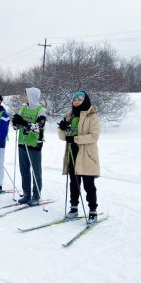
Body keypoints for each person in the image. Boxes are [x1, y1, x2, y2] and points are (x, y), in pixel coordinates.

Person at [58, 91, 100, 223]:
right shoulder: (69, 115)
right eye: (74, 100)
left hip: (86, 155)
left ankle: (93, 211)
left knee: (88, 185)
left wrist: (75, 138)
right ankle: (74, 208)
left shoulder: (92, 117)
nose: (76, 102)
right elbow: (62, 136)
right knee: (74, 183)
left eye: (79, 99)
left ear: (85, 100)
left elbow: (94, 136)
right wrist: (62, 128)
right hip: (72, 153)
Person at [12, 87, 46, 206]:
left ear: (32, 96)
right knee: (24, 170)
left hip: (34, 144)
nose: (23, 96)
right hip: (22, 142)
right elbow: (17, 127)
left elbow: (38, 127)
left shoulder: (40, 110)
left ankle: (36, 195)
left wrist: (24, 123)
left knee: (36, 171)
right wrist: (15, 123)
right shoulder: (23, 108)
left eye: (25, 94)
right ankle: (26, 194)